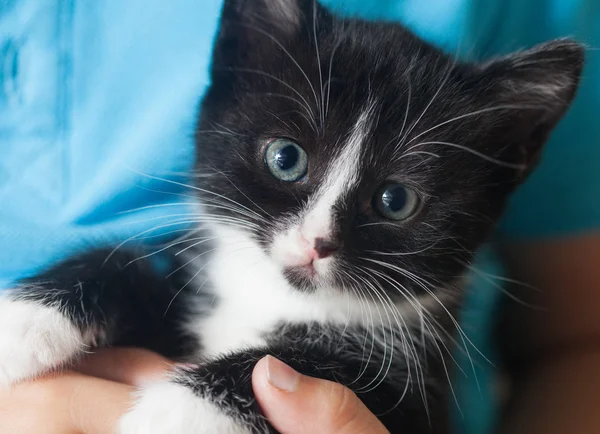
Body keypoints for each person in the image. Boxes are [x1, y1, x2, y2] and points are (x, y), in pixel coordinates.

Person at [1, 0, 599, 433]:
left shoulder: (395, 376)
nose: (319, 237)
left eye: (396, 202)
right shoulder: (185, 274)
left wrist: (224, 398)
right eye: (286, 160)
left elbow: (579, 344)